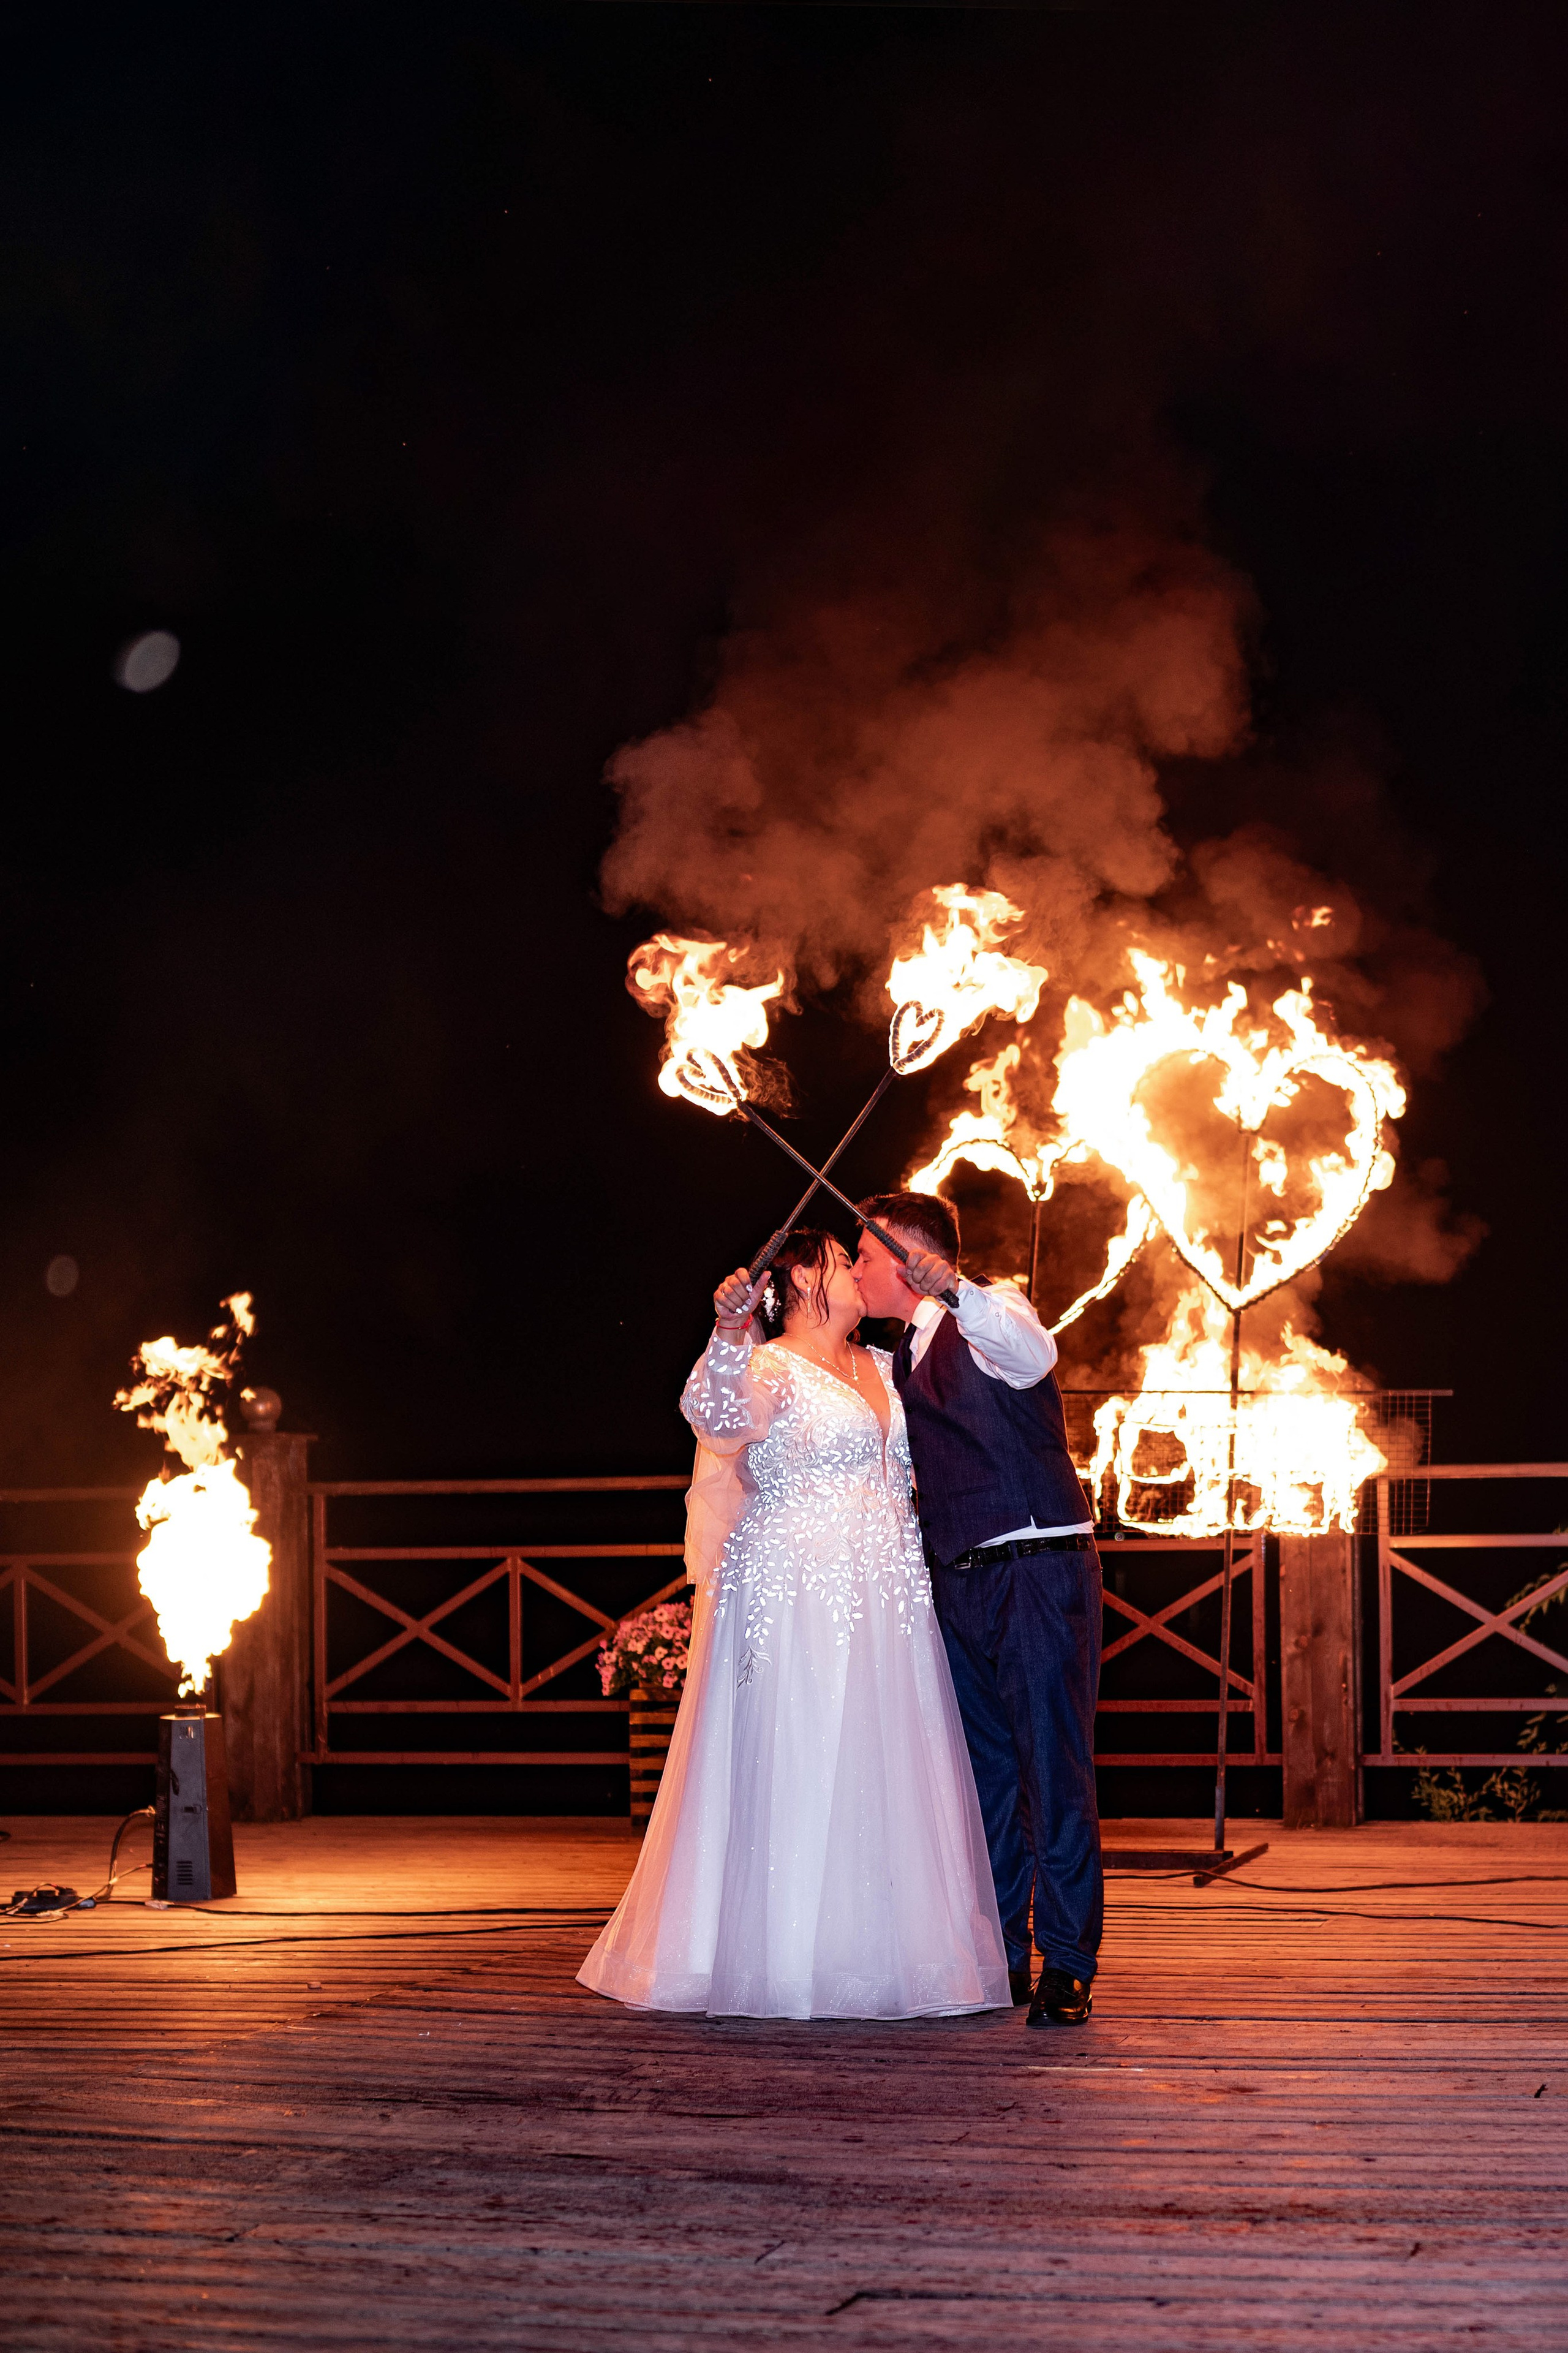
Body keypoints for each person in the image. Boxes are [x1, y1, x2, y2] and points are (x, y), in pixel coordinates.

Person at [578, 1227, 1009, 2020]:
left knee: (886, 1754)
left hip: (889, 1586)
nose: (854, 1268)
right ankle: (783, 1953)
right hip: (798, 1585)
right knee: (806, 1744)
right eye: (841, 1258)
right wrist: (726, 1330)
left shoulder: (886, 1365)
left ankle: (882, 1952)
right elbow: (713, 1415)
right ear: (796, 1278)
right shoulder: (769, 1366)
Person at [853, 1192, 1102, 2028]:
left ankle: (1068, 1961)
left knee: (1049, 1767)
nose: (856, 1270)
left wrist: (957, 1287)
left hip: (1033, 1569)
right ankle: (1003, 1953)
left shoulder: (994, 1315)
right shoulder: (903, 1357)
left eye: (863, 1253)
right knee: (987, 1778)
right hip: (957, 1583)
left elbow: (1031, 1351)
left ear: (907, 1256)